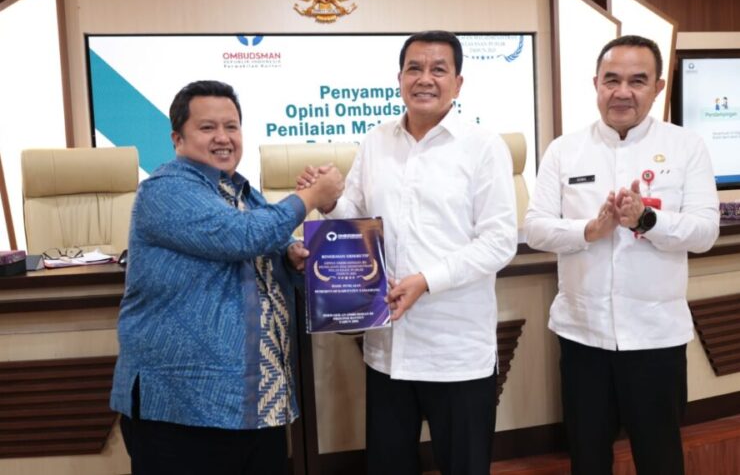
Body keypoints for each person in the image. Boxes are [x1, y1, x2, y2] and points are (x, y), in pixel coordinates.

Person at [299, 31, 518, 475]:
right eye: (414, 68)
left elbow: (499, 241)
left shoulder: (483, 146)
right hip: (388, 350)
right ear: (399, 78)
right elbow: (356, 215)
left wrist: (426, 281)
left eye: (438, 69)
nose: (425, 78)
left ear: (458, 83)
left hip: (455, 352)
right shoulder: (376, 141)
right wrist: (328, 200)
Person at [110, 80, 344, 474]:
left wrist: (291, 255)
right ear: (177, 138)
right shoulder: (165, 189)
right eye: (207, 127)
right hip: (183, 409)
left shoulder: (240, 191)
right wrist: (310, 197)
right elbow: (241, 236)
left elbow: (268, 239)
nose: (223, 137)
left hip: (256, 407)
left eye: (231, 126)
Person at [525, 35, 720, 475]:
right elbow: (536, 227)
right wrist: (589, 230)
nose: (623, 92)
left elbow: (705, 231)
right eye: (612, 80)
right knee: (588, 459)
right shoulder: (564, 150)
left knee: (660, 459)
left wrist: (646, 220)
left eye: (637, 80)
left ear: (658, 87)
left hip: (655, 339)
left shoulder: (687, 146)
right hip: (583, 337)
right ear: (596, 84)